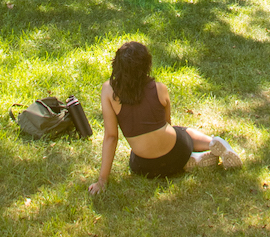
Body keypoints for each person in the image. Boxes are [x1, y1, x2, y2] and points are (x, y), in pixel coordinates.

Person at [89, 40, 241, 191]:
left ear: (118, 66)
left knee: (137, 156)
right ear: (146, 66)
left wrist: (102, 181)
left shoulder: (109, 91)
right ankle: (211, 143)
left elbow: (111, 136)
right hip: (176, 151)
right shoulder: (160, 89)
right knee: (181, 132)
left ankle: (193, 160)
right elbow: (167, 124)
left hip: (145, 167)